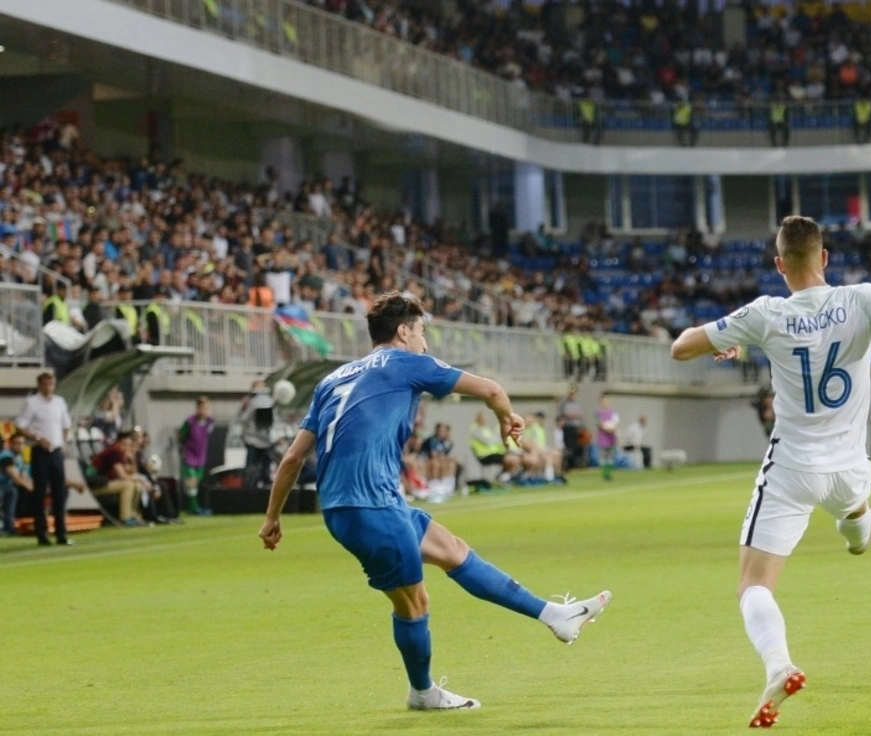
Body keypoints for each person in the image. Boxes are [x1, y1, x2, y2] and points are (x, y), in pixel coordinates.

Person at [669, 215, 871, 728]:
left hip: (793, 468)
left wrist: (723, 341)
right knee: (854, 514)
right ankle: (863, 530)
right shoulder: (861, 298)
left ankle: (779, 664)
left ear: (780, 266)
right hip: (850, 467)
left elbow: (681, 346)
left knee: (753, 586)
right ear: (824, 258)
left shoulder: (765, 313)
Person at [257, 292, 610, 712]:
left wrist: (272, 517)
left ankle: (553, 614)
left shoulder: (332, 379)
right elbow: (491, 389)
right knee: (413, 602)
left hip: (351, 505)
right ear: (404, 331)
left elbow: (294, 457)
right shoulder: (407, 363)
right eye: (422, 331)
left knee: (451, 550)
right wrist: (506, 418)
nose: (425, 342)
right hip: (370, 507)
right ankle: (423, 693)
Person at [15, 372, 74, 546]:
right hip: (40, 451)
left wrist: (63, 442)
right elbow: (20, 426)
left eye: (51, 384)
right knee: (40, 492)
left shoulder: (59, 402)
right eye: (46, 384)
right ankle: (42, 533)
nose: (49, 387)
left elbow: (66, 424)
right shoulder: (32, 403)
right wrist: (37, 438)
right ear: (40, 385)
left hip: (56, 451)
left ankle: (61, 533)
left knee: (59, 492)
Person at [91, 431, 145, 526]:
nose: (126, 447)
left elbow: (132, 472)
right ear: (117, 443)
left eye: (128, 445)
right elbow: (123, 475)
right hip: (95, 486)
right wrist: (136, 479)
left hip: (105, 483)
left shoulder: (120, 454)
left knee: (136, 485)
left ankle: (133, 515)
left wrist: (132, 459)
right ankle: (125, 518)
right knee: (128, 485)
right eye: (124, 444)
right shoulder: (114, 452)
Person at [179, 396, 215, 515]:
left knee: (196, 483)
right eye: (201, 407)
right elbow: (180, 436)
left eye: (205, 407)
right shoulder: (189, 421)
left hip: (201, 457)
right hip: (190, 456)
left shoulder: (210, 421)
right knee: (191, 482)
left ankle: (192, 507)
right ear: (197, 408)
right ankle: (194, 508)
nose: (203, 410)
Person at [240, 380, 276, 493]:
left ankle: (267, 492)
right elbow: (243, 420)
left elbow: (274, 421)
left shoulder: (271, 402)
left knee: (266, 469)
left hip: (266, 442)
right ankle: (248, 492)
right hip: (252, 440)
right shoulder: (249, 402)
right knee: (250, 468)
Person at [0, 435, 33, 535]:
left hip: (8, 487)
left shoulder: (19, 458)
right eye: (16, 443)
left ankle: (9, 528)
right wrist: (31, 488)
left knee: (12, 492)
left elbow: (23, 476)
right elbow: (16, 477)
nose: (19, 446)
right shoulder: (6, 456)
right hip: (2, 486)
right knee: (11, 492)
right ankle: (8, 526)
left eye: (22, 444)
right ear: (10, 443)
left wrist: (33, 486)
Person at [559, 386, 585, 471]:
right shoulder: (565, 404)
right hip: (568, 428)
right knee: (569, 447)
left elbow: (581, 415)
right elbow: (566, 414)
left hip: (576, 428)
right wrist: (575, 415)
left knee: (576, 447)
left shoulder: (577, 404)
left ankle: (575, 464)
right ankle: (567, 465)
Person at [595, 394, 619, 481]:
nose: (605, 402)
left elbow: (616, 424)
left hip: (611, 437)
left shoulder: (613, 413)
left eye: (607, 401)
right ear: (601, 402)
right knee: (603, 456)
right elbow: (598, 424)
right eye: (604, 401)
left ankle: (609, 473)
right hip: (603, 437)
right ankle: (604, 474)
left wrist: (613, 430)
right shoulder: (598, 413)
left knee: (610, 456)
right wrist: (606, 428)